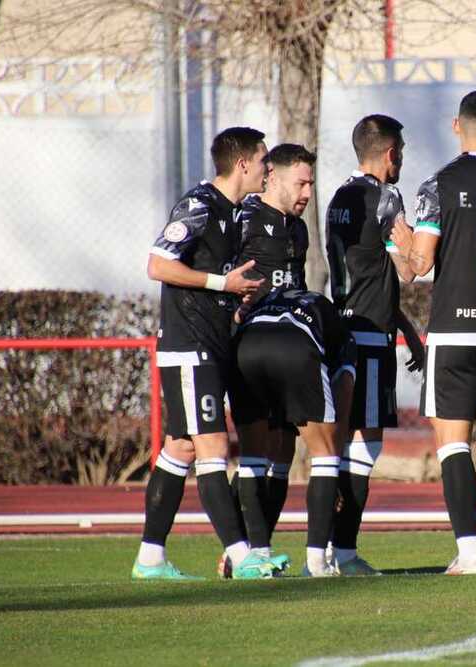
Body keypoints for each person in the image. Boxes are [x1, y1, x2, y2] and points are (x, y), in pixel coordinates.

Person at [133, 126, 280, 580]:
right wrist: (223, 284)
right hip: (188, 347)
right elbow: (158, 264)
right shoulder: (198, 206)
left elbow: (216, 277)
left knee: (179, 449)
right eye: (262, 161)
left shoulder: (235, 213)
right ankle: (242, 555)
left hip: (210, 344)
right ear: (242, 165)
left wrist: (237, 301)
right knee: (213, 445)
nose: (267, 169)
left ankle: (150, 560)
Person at [389, 90, 476, 574]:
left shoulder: (438, 184)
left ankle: (468, 551)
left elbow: (419, 266)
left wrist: (400, 244)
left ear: (455, 127)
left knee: (453, 441)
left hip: (453, 329)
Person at [325, 114, 426, 576]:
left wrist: (406, 327)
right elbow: (407, 271)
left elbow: (370, 275)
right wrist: (414, 249)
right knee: (365, 446)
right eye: (400, 151)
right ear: (390, 154)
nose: (401, 159)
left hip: (342, 328)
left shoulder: (337, 199)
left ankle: (325, 547)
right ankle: (341, 552)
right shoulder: (387, 196)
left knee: (339, 440)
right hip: (370, 339)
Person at [222, 144, 317, 576]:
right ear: (272, 177)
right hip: (250, 347)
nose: (308, 192)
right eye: (301, 182)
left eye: (311, 183)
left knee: (283, 448)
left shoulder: (297, 230)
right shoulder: (244, 218)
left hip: (289, 349)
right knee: (255, 445)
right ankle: (250, 549)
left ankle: (250, 549)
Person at [232, 288, 357, 577]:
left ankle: (256, 558)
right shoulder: (338, 328)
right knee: (325, 458)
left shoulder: (264, 299)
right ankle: (316, 564)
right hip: (295, 346)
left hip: (244, 346)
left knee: (251, 459)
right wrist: (332, 474)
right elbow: (344, 390)